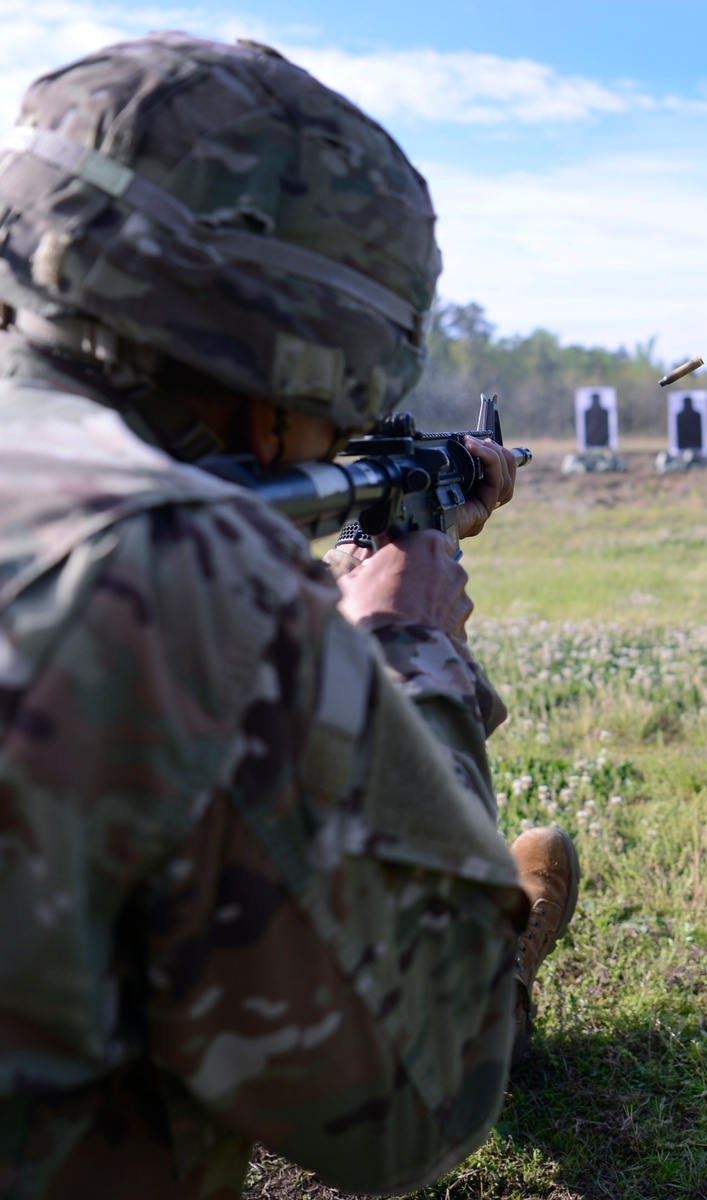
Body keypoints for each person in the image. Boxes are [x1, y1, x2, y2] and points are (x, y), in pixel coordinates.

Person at [0, 33, 577, 1199]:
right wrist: (404, 654)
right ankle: (491, 937)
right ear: (282, 373)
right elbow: (421, 1103)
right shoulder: (165, 569)